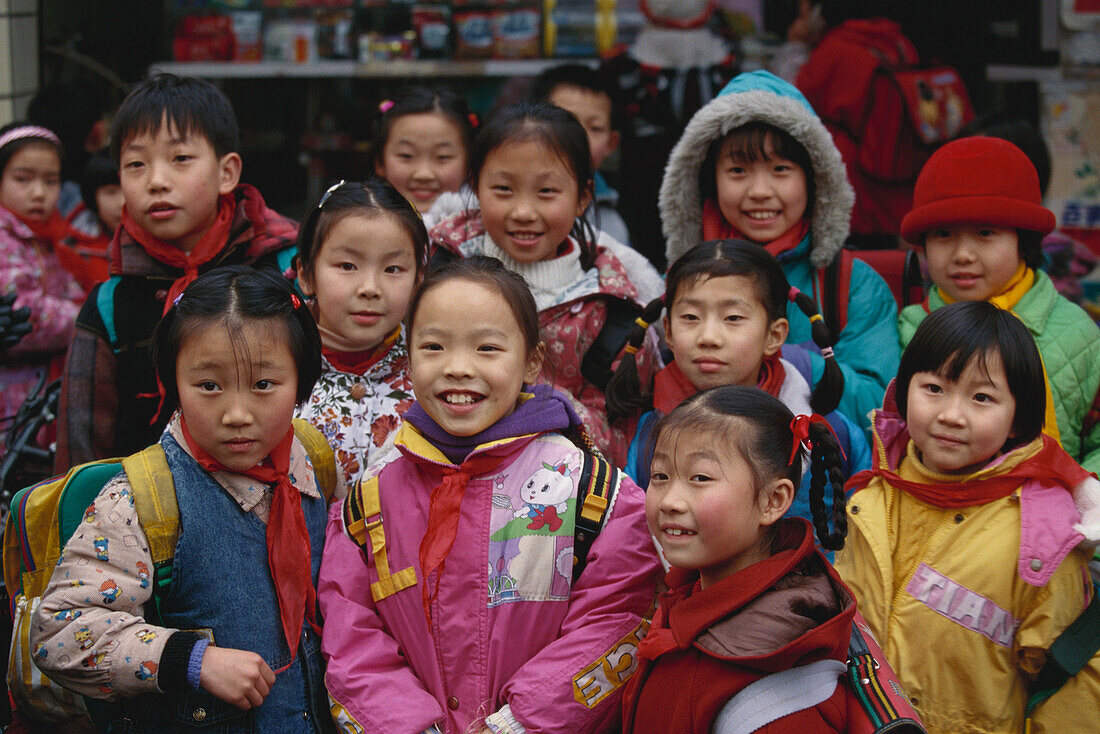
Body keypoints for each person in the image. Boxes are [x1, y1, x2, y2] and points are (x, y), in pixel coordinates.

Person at [319, 256, 660, 733]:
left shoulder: (590, 489)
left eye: (487, 348)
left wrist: (518, 723)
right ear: (407, 355)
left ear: (532, 361)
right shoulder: (370, 497)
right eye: (434, 346)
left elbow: (618, 615)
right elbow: (349, 634)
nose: (458, 368)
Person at [32, 266, 341, 732]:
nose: (237, 414)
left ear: (302, 381)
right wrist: (190, 660)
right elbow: (58, 631)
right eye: (209, 386)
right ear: (172, 381)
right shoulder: (144, 499)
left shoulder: (313, 462)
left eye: (263, 385)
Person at [836, 301, 1100, 733]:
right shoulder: (871, 496)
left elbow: (1070, 682)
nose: (951, 415)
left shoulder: (1042, 539)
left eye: (982, 397)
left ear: (1017, 418)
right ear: (903, 392)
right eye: (934, 388)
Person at [54, 72, 299, 472]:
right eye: (135, 164)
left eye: (180, 158)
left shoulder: (287, 269)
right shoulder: (111, 304)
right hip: (147, 519)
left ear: (227, 172)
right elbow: (80, 450)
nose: (156, 181)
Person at [660, 70, 899, 431]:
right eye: (738, 170)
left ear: (814, 179)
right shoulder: (681, 282)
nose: (759, 190)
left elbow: (883, 411)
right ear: (709, 179)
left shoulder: (852, 284)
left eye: (781, 169)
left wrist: (791, 361)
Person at [430, 101, 664, 466]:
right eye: (504, 189)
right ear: (475, 186)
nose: (524, 212)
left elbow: (624, 442)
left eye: (546, 192)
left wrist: (537, 412)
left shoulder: (614, 312)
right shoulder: (431, 264)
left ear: (582, 198)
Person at [620, 385, 855, 732]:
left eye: (700, 478)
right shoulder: (689, 594)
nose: (670, 500)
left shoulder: (779, 685)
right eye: (660, 476)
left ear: (772, 500)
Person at [618, 240, 869, 520]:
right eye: (690, 317)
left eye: (733, 317)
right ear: (669, 332)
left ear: (774, 336)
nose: (708, 337)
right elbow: (635, 530)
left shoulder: (826, 431)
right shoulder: (651, 432)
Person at [897, 136, 1100, 475]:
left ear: (1024, 240)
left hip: (1054, 518)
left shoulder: (1077, 333)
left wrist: (1079, 496)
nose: (963, 254)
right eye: (943, 234)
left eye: (985, 233)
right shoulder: (908, 327)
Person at [294, 178, 426, 484]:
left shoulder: (432, 371)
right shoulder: (270, 366)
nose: (370, 288)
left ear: (418, 280)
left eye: (393, 269)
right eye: (347, 266)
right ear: (306, 274)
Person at [0, 122, 83, 451]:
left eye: (50, 181)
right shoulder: (4, 239)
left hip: (42, 389)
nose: (39, 192)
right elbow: (26, 315)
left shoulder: (51, 235)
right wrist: (83, 316)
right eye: (23, 179)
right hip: (12, 393)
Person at [531, 63, 630, 246]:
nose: (580, 137)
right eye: (567, 121)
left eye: (595, 128)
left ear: (611, 143)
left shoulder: (612, 225)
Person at [371, 86, 474, 231]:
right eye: (406, 155)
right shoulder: (356, 226)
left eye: (442, 157)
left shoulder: (489, 232)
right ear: (380, 162)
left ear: (468, 164)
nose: (424, 174)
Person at [57, 152, 123, 293]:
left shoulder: (167, 238)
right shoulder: (72, 248)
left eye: (129, 190)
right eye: (111, 192)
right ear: (92, 198)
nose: (122, 203)